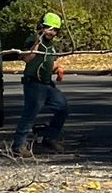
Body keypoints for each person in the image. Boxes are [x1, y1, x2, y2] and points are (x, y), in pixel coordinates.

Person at [11, 11, 70, 157]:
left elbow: (50, 63)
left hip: (47, 85)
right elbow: (27, 58)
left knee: (62, 107)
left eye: (55, 30)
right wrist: (37, 42)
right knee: (30, 114)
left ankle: (49, 138)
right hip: (34, 85)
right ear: (41, 27)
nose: (52, 32)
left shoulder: (51, 46)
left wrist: (58, 68)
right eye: (49, 28)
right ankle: (18, 145)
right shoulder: (33, 40)